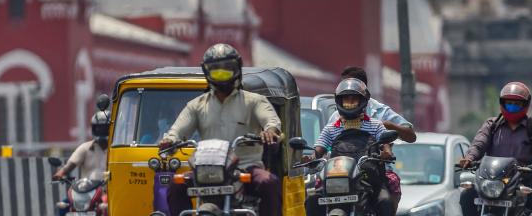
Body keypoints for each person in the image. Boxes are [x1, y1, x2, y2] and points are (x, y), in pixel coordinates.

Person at [158, 43, 282, 216]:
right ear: (207, 72)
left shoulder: (255, 101)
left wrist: (270, 131)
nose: (222, 75)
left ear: (237, 68)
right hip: (206, 169)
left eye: (227, 69)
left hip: (245, 168)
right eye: (216, 70)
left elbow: (271, 121)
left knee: (269, 183)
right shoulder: (196, 105)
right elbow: (178, 130)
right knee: (176, 185)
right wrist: (169, 140)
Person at [458, 82, 532, 216]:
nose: (512, 107)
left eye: (517, 104)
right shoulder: (492, 124)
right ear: (502, 103)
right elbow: (479, 143)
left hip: (526, 178)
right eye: (509, 103)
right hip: (492, 179)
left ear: (525, 105)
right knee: (466, 196)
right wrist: (469, 158)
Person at [304, 78, 396, 216]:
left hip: (367, 179)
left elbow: (386, 144)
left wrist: (386, 153)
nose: (349, 104)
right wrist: (309, 158)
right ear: (339, 102)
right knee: (312, 200)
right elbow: (319, 149)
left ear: (363, 101)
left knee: (385, 202)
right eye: (346, 100)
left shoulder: (375, 125)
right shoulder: (331, 128)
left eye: (354, 100)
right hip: (336, 179)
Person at [325, 66, 415, 207]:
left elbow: (411, 136)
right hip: (342, 172)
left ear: (362, 90)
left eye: (351, 91)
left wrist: (389, 126)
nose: (346, 94)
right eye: (343, 89)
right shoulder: (336, 117)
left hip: (373, 171)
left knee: (386, 199)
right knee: (316, 195)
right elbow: (324, 143)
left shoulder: (379, 112)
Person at [52, 111, 109, 216]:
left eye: (105, 128)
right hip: (85, 192)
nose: (102, 131)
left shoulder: (116, 150)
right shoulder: (85, 148)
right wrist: (60, 173)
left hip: (108, 192)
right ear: (94, 129)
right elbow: (70, 164)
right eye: (99, 128)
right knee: (63, 207)